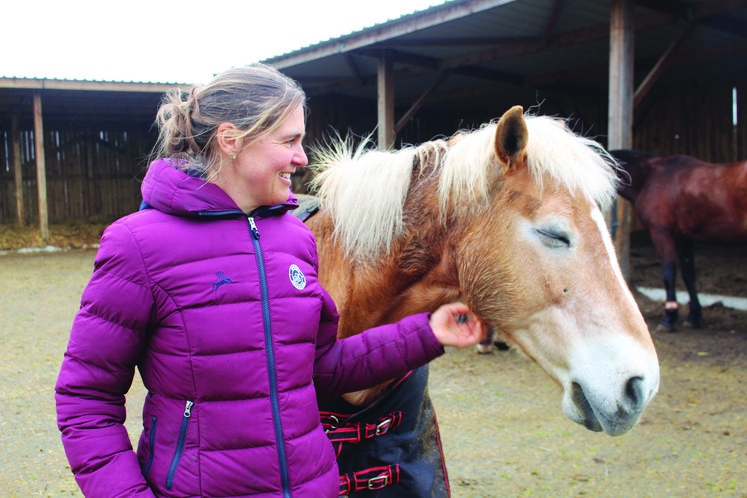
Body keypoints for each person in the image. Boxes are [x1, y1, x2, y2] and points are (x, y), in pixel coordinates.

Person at [55, 63, 485, 498]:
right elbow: (85, 401)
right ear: (231, 141)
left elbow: (322, 366)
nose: (302, 157)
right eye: (289, 141)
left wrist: (428, 332)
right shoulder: (138, 244)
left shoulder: (295, 239)